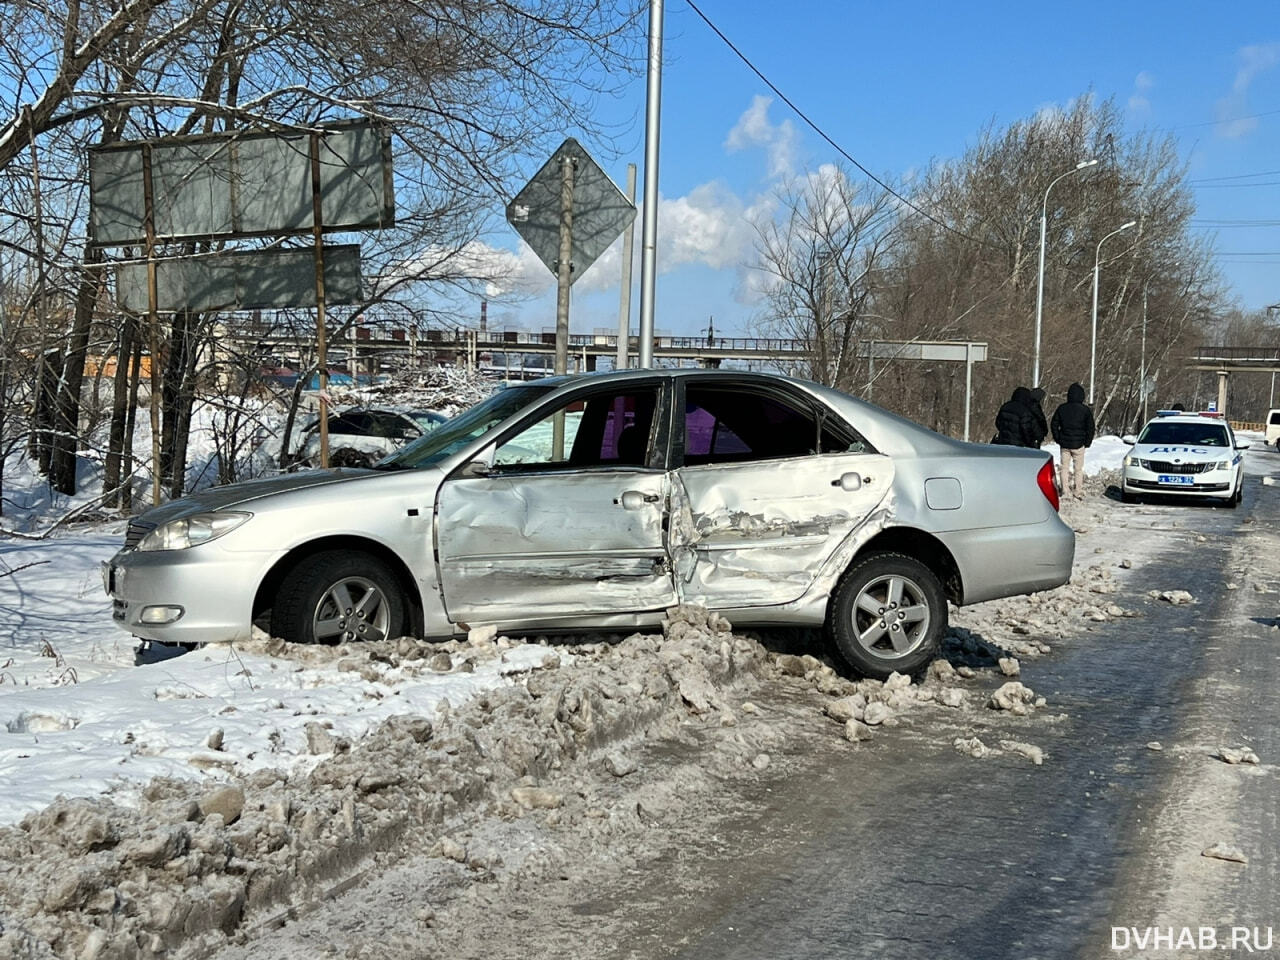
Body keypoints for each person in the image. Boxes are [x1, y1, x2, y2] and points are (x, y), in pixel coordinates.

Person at [1051, 382, 1095, 500]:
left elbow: (1054, 424)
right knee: (1078, 469)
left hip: (1065, 443)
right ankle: (1078, 490)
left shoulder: (1062, 408)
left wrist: (1058, 438)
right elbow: (1090, 427)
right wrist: (1087, 442)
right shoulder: (1085, 410)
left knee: (1064, 467)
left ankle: (1065, 490)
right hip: (1079, 444)